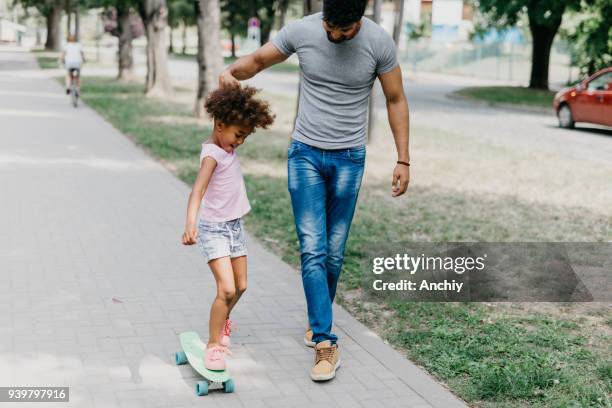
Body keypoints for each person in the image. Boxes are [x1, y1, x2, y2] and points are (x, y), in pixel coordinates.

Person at [219, 0, 410, 381]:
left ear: (360, 20)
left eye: (346, 30)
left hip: (349, 159)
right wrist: (230, 73)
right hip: (304, 154)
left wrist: (403, 159)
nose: (336, 35)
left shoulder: (378, 42)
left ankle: (316, 319)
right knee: (313, 248)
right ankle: (325, 341)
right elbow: (256, 61)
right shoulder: (303, 30)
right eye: (330, 28)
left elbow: (395, 99)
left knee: (334, 254)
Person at [181, 85, 274, 370]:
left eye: (245, 136)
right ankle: (213, 346)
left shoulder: (226, 144)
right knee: (227, 289)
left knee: (242, 286)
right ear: (219, 126)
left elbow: (229, 96)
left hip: (234, 227)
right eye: (238, 135)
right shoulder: (212, 154)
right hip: (214, 229)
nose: (241, 142)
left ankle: (222, 323)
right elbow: (197, 191)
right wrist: (190, 224)